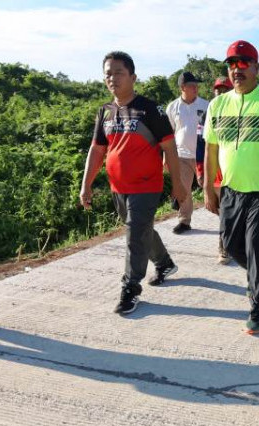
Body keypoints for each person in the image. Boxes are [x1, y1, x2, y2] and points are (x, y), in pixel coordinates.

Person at [80, 51, 187, 315]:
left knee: (134, 236)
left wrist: (178, 184)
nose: (112, 78)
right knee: (141, 230)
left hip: (147, 185)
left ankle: (130, 288)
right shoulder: (105, 112)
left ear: (133, 77)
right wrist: (86, 184)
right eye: (108, 73)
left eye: (118, 72)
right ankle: (164, 263)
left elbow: (170, 149)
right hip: (119, 187)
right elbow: (96, 150)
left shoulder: (150, 109)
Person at [203, 40, 259, 335]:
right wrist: (207, 187)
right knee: (231, 245)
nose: (236, 69)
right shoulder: (218, 104)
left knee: (257, 247)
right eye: (231, 64)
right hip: (231, 189)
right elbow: (211, 150)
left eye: (243, 63)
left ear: (256, 68)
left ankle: (258, 303)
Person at [165, 71, 209, 234]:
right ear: (182, 87)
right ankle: (184, 221)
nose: (196, 88)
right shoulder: (172, 107)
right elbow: (168, 135)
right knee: (183, 188)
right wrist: (166, 158)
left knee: (210, 187)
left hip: (202, 156)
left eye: (196, 85)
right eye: (192, 86)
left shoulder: (206, 105)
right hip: (181, 155)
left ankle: (224, 218)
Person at [210, 76, 234, 265]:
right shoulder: (210, 113)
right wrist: (203, 173)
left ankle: (230, 243)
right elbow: (205, 148)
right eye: (218, 89)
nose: (221, 92)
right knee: (225, 212)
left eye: (225, 89)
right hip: (218, 174)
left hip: (237, 174)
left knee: (231, 212)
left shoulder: (241, 111)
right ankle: (224, 247)